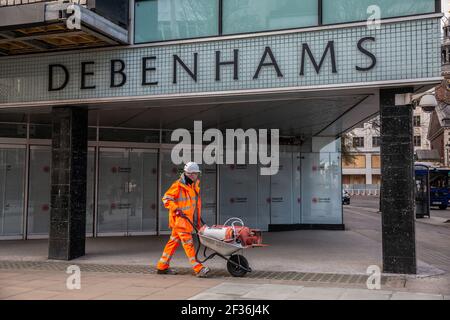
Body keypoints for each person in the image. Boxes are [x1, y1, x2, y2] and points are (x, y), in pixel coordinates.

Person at [156, 161, 210, 278]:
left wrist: (197, 219)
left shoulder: (192, 186)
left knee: (172, 243)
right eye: (195, 174)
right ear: (190, 174)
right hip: (181, 222)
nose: (196, 176)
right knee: (188, 244)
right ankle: (198, 268)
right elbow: (166, 199)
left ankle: (162, 266)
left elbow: (193, 205)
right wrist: (176, 209)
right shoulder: (178, 185)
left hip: (183, 221)